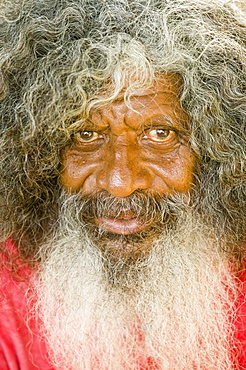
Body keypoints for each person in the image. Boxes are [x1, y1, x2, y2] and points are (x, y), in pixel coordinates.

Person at [0, 0, 246, 369]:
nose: (120, 181)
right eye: (86, 134)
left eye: (160, 134)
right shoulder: (7, 299)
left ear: (217, 151)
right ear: (37, 155)